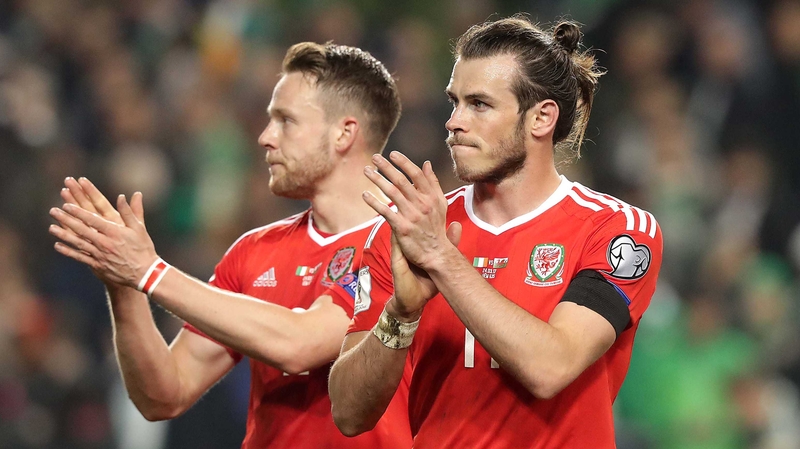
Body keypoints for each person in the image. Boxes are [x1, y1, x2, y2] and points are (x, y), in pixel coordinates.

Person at [48, 42, 413, 448]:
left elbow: (299, 345)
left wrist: (149, 271)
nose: (264, 137)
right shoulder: (254, 252)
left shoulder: (405, 242)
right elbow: (164, 395)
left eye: (285, 121)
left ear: (344, 132)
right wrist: (124, 284)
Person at [327, 16, 663, 448]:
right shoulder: (407, 231)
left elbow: (551, 368)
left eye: (479, 105)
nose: (454, 122)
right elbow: (349, 413)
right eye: (454, 102)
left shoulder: (617, 231)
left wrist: (443, 259)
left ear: (541, 119)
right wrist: (401, 314)